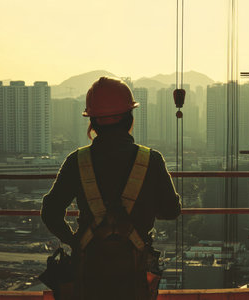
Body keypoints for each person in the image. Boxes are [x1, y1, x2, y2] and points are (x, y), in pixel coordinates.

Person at [41, 77, 181, 299]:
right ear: (129, 119)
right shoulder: (151, 160)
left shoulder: (77, 161)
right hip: (134, 274)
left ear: (93, 123)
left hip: (89, 271)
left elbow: (50, 212)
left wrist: (75, 241)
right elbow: (171, 210)